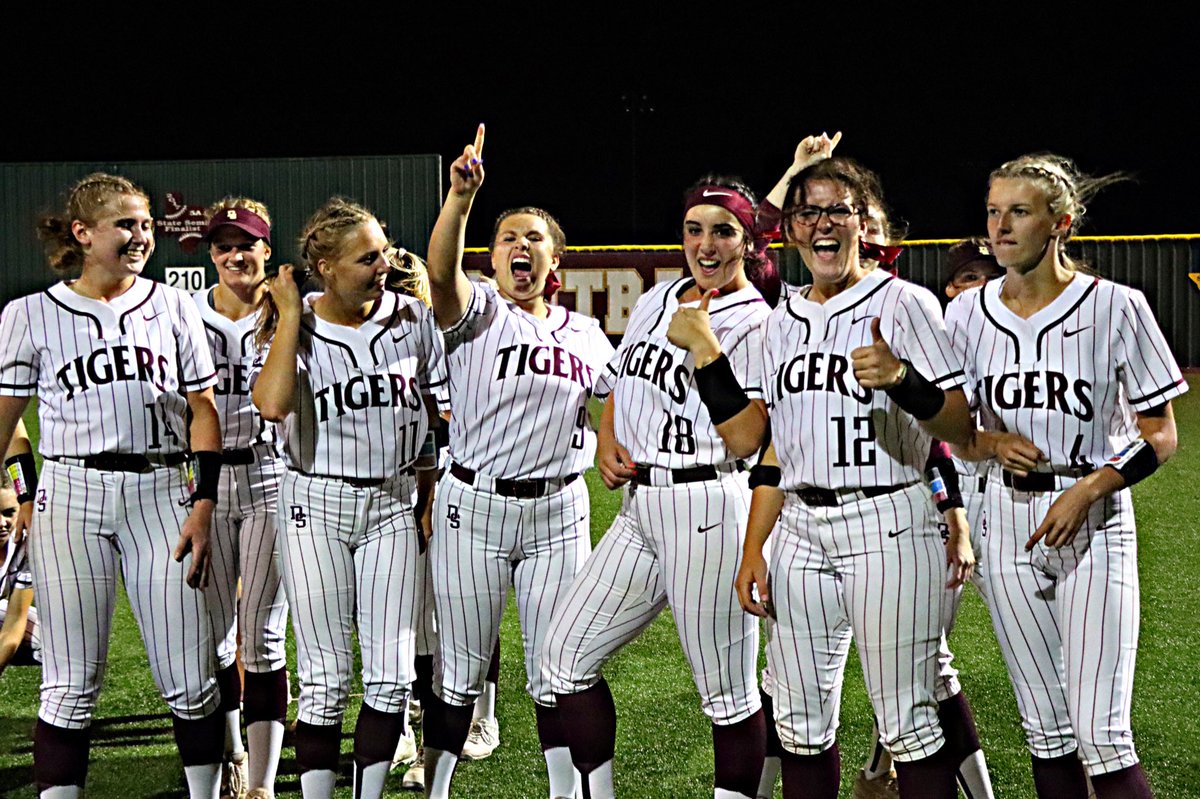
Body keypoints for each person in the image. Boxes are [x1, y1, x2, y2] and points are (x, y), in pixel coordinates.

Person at [733, 153, 976, 799]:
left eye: (838, 209)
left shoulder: (906, 303)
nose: (822, 223)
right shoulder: (779, 321)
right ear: (793, 229)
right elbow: (776, 448)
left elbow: (960, 424)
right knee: (801, 723)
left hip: (890, 520)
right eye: (808, 210)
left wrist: (903, 379)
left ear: (866, 223)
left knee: (909, 723)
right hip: (800, 531)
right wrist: (755, 545)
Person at [944, 154, 1185, 799]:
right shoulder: (966, 316)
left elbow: (1161, 435)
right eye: (993, 211)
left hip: (1093, 520)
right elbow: (955, 432)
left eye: (1018, 212)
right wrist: (989, 441)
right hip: (1005, 524)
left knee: (1103, 734)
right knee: (1045, 731)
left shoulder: (1117, 307)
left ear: (1062, 223)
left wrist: (1088, 489)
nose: (999, 227)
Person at [544, 169, 782, 799]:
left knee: (727, 695)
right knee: (564, 658)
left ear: (748, 243)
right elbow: (626, 380)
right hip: (639, 506)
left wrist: (705, 347)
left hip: (710, 504)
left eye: (724, 232)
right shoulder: (658, 296)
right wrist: (609, 435)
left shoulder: (757, 323)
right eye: (694, 229)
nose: (706, 245)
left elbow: (748, 439)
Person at [0, 172, 227, 798]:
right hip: (70, 496)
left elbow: (202, 408)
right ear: (83, 233)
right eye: (126, 224)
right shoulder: (28, 314)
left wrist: (203, 501)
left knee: (190, 675)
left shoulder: (175, 305)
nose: (141, 236)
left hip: (161, 491)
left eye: (147, 224)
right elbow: (7, 422)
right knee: (69, 684)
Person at [417, 125, 614, 799]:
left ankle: (564, 791)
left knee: (557, 665)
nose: (520, 246)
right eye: (508, 237)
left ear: (554, 260)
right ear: (493, 258)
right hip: (475, 505)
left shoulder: (586, 332)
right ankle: (438, 786)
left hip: (560, 510)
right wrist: (461, 197)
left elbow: (617, 397)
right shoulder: (476, 310)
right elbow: (439, 272)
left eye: (534, 238)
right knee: (460, 669)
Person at [251, 198, 443, 799]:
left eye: (384, 249)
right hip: (316, 504)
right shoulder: (296, 323)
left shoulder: (414, 319)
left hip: (392, 501)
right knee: (325, 676)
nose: (384, 262)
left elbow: (440, 414)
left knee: (390, 678)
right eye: (368, 256)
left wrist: (430, 491)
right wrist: (287, 315)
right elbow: (272, 405)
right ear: (325, 265)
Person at [196, 198, 291, 799]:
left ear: (266, 249)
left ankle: (260, 783)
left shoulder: (291, 314)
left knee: (262, 636)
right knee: (210, 637)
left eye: (247, 242)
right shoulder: (182, 316)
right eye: (224, 244)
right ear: (211, 254)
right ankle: (230, 752)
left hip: (268, 478)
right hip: (201, 484)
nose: (236, 254)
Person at [0, 470, 41, 675]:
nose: (2, 523)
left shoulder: (27, 545)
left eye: (9, 512)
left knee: (54, 643)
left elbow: (15, 622)